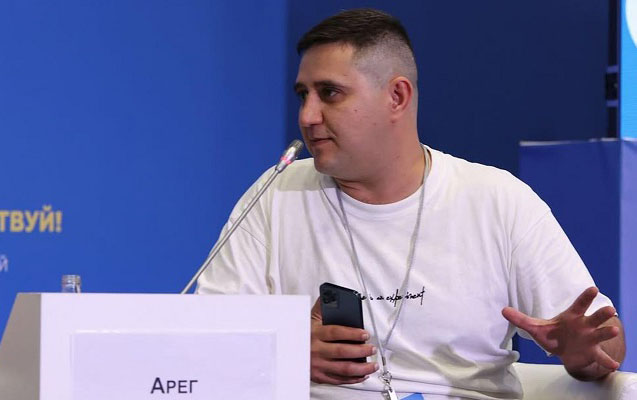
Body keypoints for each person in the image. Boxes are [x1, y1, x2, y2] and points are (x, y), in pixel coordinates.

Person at [196, 8, 626, 400]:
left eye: (329, 93)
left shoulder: (498, 200)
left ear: (397, 97)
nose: (307, 116)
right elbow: (203, 339)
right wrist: (283, 349)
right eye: (302, 95)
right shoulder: (276, 194)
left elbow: (606, 342)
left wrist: (583, 353)